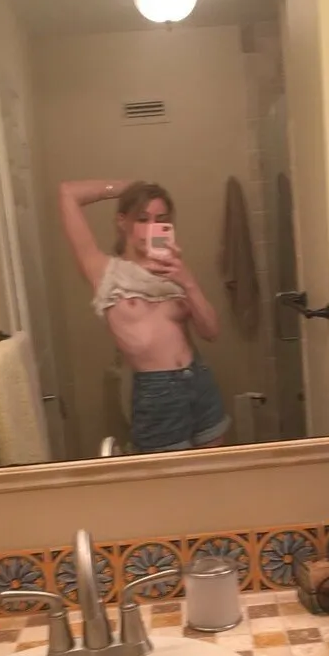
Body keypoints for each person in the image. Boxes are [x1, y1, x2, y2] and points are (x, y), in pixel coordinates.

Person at [58, 179, 230, 453]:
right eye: (142, 219)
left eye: (161, 220)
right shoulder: (105, 271)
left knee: (216, 469)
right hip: (157, 393)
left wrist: (188, 283)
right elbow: (68, 193)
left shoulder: (173, 270)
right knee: (169, 478)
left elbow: (211, 332)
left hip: (199, 380)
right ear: (122, 222)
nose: (152, 227)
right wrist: (126, 188)